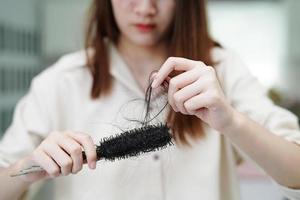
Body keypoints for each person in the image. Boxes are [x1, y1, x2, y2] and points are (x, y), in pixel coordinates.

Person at [0, 0, 300, 199]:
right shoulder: (61, 81)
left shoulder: (223, 69)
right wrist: (28, 167)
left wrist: (233, 122)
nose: (145, 8)